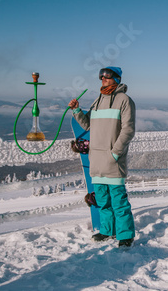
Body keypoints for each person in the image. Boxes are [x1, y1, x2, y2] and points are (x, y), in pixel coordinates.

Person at [68, 66, 136, 247]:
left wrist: (115, 153)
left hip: (113, 160)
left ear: (117, 78)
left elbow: (128, 130)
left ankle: (125, 235)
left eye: (107, 76)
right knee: (103, 200)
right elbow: (88, 125)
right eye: (101, 76)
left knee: (118, 200)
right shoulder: (97, 101)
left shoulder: (124, 101)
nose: (103, 79)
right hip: (96, 161)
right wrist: (76, 111)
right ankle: (107, 231)